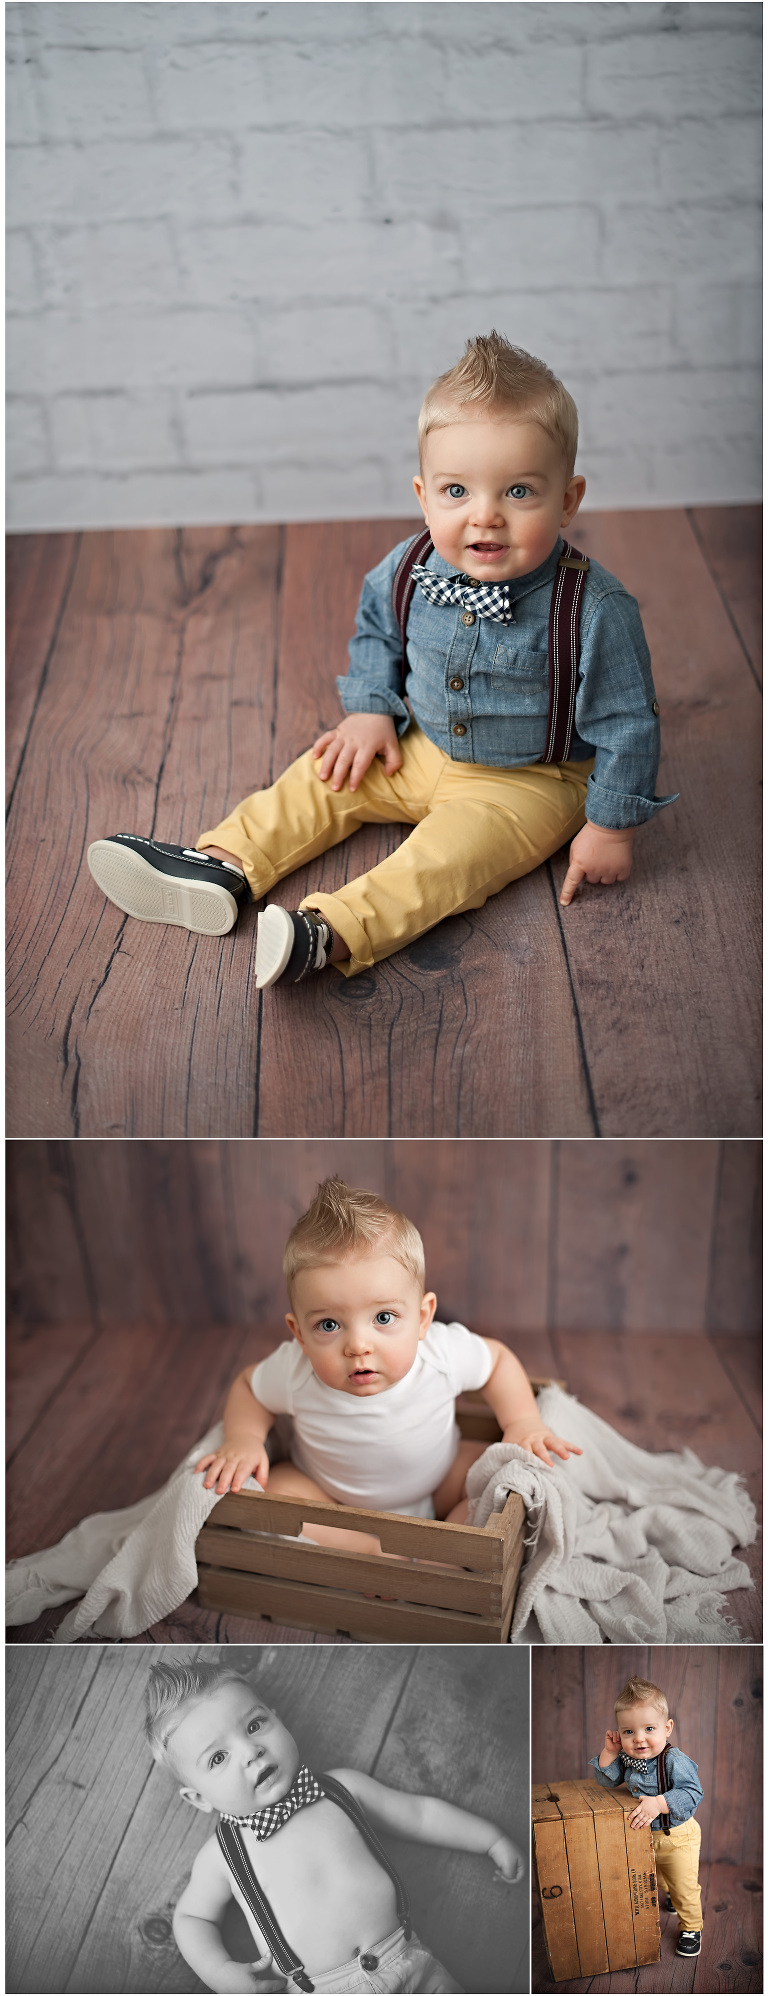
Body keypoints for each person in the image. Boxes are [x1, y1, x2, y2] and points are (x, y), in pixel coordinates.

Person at [87, 331, 674, 988]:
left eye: (518, 492)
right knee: (325, 775)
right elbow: (377, 635)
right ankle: (223, 864)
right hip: (417, 744)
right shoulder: (409, 567)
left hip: (530, 782)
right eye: (457, 492)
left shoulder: (593, 607)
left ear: (567, 500)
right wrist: (369, 710)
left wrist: (612, 827)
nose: (485, 517)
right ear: (423, 494)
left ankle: (330, 932)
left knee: (447, 862)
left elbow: (628, 722)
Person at [194, 1176, 581, 1558]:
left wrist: (522, 1421)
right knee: (274, 1489)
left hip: (435, 1487)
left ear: (423, 1317)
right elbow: (248, 1387)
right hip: (331, 1500)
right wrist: (243, 1437)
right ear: (300, 1334)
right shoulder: (296, 1371)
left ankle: (443, 1545)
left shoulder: (440, 1353)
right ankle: (364, 1549)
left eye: (383, 1318)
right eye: (328, 1325)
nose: (358, 1346)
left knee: (493, 1482)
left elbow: (497, 1361)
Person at [148, 1658, 523, 1994]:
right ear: (198, 1798)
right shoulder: (222, 1855)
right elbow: (192, 1917)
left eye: (255, 1724)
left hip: (411, 1966)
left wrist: (489, 1839)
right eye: (218, 1758)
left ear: (277, 1719)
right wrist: (219, 1972)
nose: (251, 1751)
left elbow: (419, 1814)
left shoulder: (341, 1789)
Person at [589, 1674, 704, 1958]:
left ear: (667, 1728)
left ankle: (691, 1927)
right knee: (660, 1876)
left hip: (677, 1836)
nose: (639, 1738)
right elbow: (606, 1782)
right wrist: (609, 1752)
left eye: (649, 1728)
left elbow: (693, 1793)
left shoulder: (674, 1760)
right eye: (628, 1732)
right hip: (647, 1837)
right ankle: (670, 1895)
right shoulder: (629, 1760)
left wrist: (659, 1803)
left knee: (684, 1884)